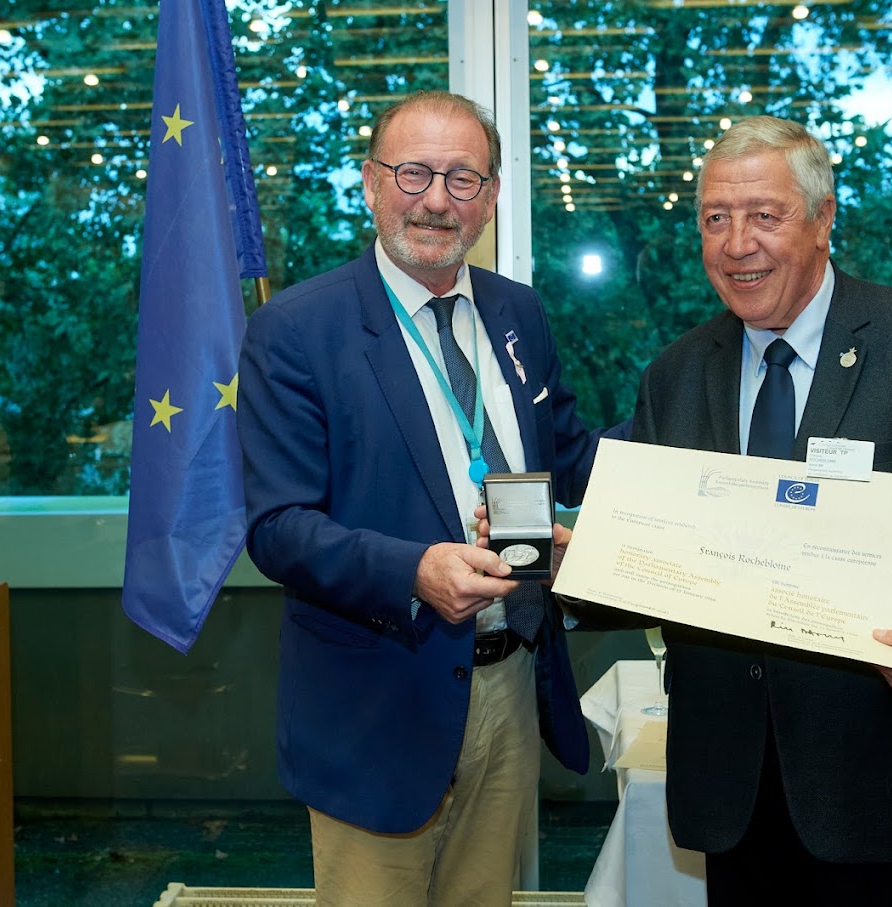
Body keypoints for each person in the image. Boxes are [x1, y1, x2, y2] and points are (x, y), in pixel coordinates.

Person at [601, 115, 892, 904]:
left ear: (823, 218)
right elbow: (660, 558)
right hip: (728, 790)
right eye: (716, 218)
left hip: (877, 781)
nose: (736, 242)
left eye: (764, 215)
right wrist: (591, 555)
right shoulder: (672, 376)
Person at [237, 90, 608, 906]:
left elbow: (571, 456)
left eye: (463, 177)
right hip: (378, 698)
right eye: (413, 173)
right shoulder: (297, 329)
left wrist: (696, 481)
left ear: (493, 196)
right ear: (370, 183)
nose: (437, 199)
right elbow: (277, 527)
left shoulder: (518, 312)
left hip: (509, 682)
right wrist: (416, 570)